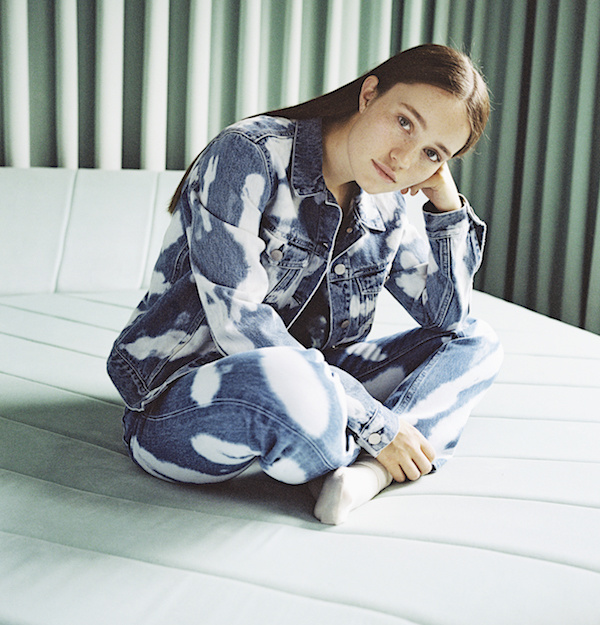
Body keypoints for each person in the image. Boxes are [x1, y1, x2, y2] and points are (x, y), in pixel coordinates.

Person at [107, 43, 503, 525]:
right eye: (404, 122)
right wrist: (377, 423)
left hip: (319, 389)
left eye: (431, 153)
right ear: (369, 94)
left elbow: (447, 320)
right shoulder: (249, 154)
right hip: (183, 400)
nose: (403, 159)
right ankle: (353, 446)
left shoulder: (389, 201)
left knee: (477, 340)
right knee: (294, 386)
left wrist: (447, 206)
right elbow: (237, 321)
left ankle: (367, 474)